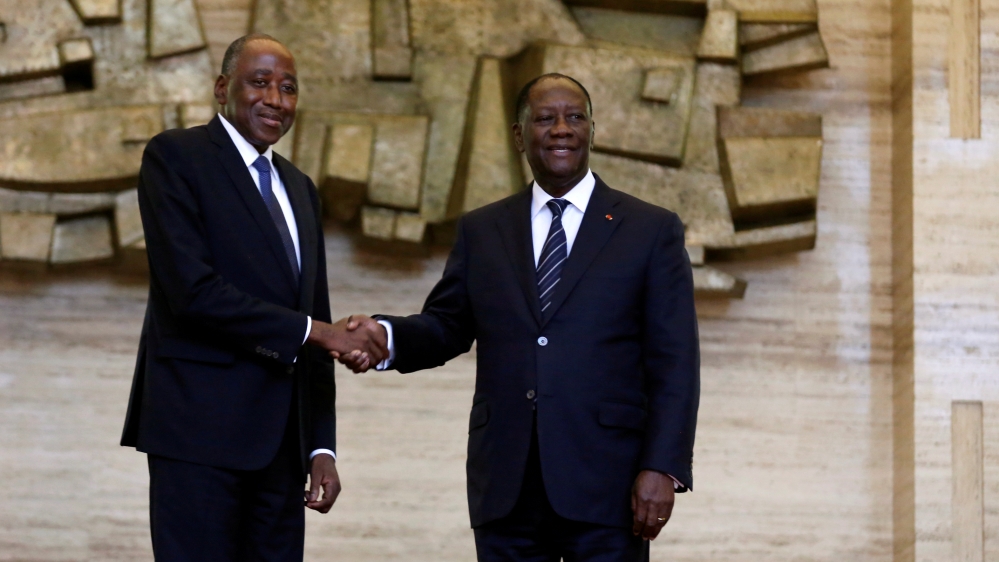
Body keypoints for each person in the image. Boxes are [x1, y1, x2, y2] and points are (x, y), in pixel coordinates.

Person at [342, 73, 700, 561]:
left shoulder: (649, 229)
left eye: (575, 117)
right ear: (518, 136)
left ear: (593, 130)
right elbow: (447, 325)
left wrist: (664, 466)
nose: (561, 129)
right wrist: (384, 336)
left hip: (607, 486)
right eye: (545, 118)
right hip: (506, 488)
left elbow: (675, 361)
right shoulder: (483, 229)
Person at [119, 33, 387, 561]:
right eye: (259, 82)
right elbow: (192, 292)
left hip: (282, 448)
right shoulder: (177, 157)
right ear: (223, 88)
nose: (276, 99)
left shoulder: (300, 188)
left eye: (288, 88)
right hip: (197, 435)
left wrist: (321, 446)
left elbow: (317, 316)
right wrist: (318, 332)